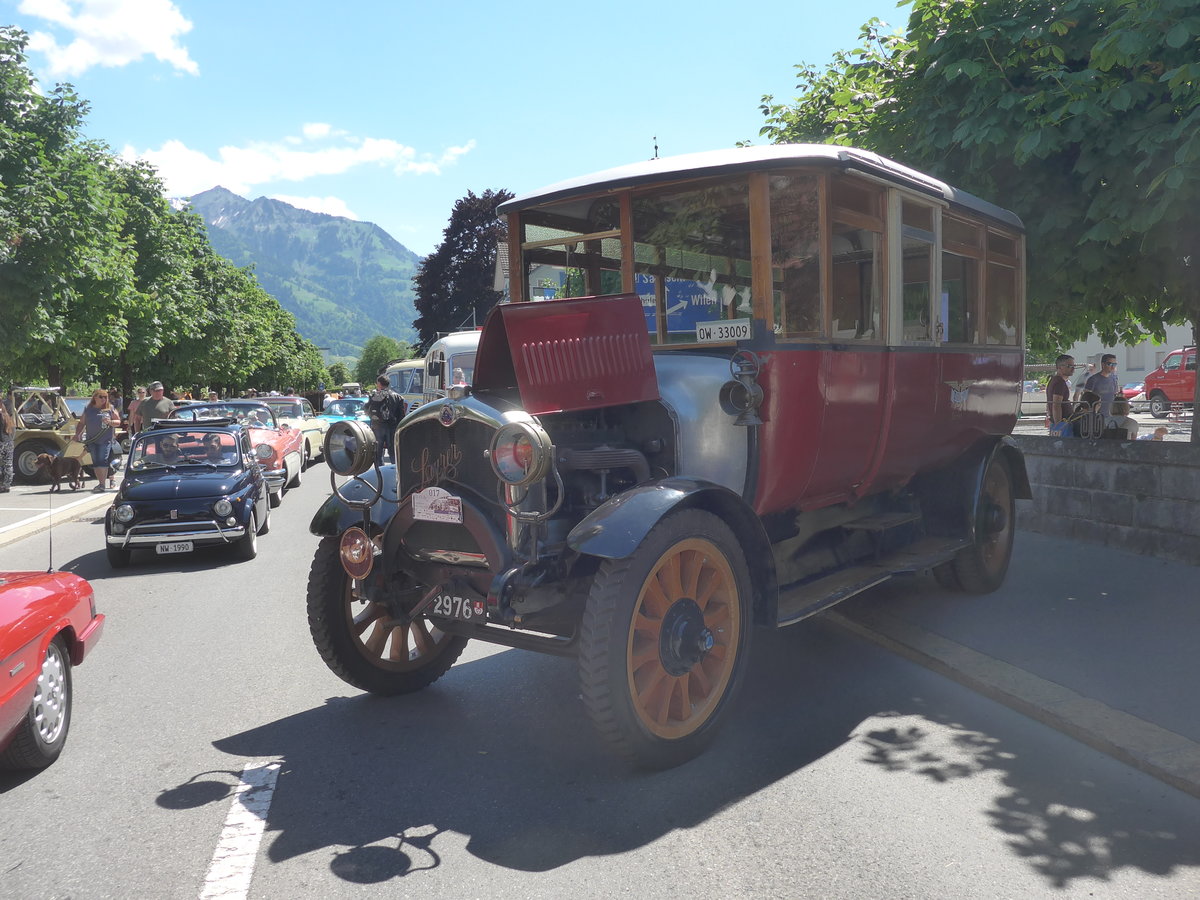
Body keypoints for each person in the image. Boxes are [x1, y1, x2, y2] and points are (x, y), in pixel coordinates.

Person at [74, 389, 121, 492]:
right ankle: (100, 483)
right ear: (95, 397)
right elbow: (82, 423)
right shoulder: (88, 409)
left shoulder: (110, 408)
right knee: (95, 462)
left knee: (102, 460)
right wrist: (77, 434)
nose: (104, 399)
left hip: (105, 440)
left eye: (105, 397)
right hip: (91, 440)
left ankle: (102, 484)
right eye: (101, 397)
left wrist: (110, 421)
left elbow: (118, 422)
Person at [366, 374, 402, 464]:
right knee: (393, 452)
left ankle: (380, 473)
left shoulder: (374, 395)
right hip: (392, 427)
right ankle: (394, 471)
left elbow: (367, 409)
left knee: (378, 453)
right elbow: (401, 415)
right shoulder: (397, 397)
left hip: (377, 426)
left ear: (379, 384)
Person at [1046, 354, 1075, 437]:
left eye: (1073, 366)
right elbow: (1056, 404)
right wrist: (1058, 426)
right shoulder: (1059, 382)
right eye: (1069, 366)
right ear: (1060, 367)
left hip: (1060, 422)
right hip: (1063, 423)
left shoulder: (1054, 380)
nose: (1073, 368)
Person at [1083, 353, 1120, 417]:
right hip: (1096, 416)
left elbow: (1115, 395)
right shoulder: (1093, 379)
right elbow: (1086, 398)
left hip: (1110, 416)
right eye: (1109, 364)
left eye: (1114, 364)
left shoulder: (1114, 379)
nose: (1113, 366)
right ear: (1103, 364)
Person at [0, 395, 14, 493]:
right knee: (8, 464)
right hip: (8, 442)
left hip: (0, 442)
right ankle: (6, 485)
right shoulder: (6, 415)